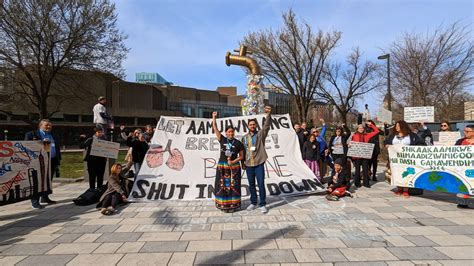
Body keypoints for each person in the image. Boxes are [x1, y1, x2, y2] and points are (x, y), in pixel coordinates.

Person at [212, 111, 245, 212]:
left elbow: (242, 156)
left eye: (232, 132)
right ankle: (224, 205)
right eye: (229, 132)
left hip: (234, 168)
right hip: (222, 167)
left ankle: (234, 205)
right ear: (226, 133)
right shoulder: (222, 139)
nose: (230, 133)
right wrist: (214, 118)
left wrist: (234, 161)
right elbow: (215, 128)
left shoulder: (238, 143)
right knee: (223, 186)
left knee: (233, 186)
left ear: (234, 133)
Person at [242, 106, 272, 213]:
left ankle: (262, 203)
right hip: (249, 164)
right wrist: (242, 163)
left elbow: (267, 126)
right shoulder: (244, 137)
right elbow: (243, 151)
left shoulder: (260, 134)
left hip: (259, 163)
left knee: (260, 184)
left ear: (256, 125)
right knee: (251, 185)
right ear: (248, 126)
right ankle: (253, 202)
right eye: (250, 125)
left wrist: (268, 114)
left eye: (254, 124)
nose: (252, 126)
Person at [25, 119, 61, 209]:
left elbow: (56, 147)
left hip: (51, 160)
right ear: (40, 125)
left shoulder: (53, 135)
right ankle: (35, 201)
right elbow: (26, 147)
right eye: (47, 125)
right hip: (37, 162)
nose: (49, 127)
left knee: (48, 180)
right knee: (37, 181)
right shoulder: (31, 134)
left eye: (50, 125)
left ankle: (45, 197)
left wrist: (58, 159)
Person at [384, 120, 424, 197]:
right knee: (397, 173)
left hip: (407, 159)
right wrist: (387, 145)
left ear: (403, 126)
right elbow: (386, 142)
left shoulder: (411, 135)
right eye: (396, 126)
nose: (396, 127)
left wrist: (412, 149)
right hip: (396, 159)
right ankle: (399, 189)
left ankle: (406, 190)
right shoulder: (393, 135)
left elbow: (420, 143)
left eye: (398, 126)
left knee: (407, 173)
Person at [349, 121, 380, 188]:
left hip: (365, 155)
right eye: (360, 128)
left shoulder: (367, 135)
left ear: (364, 129)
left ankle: (366, 183)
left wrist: (371, 125)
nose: (361, 129)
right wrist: (350, 145)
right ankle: (357, 183)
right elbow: (351, 143)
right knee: (357, 170)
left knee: (365, 169)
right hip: (357, 155)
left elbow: (377, 131)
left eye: (362, 128)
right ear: (357, 129)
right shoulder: (354, 135)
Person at [454, 125, 474, 208]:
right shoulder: (460, 141)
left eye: (467, 131)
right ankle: (463, 202)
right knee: (462, 185)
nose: (465, 133)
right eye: (464, 131)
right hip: (462, 168)